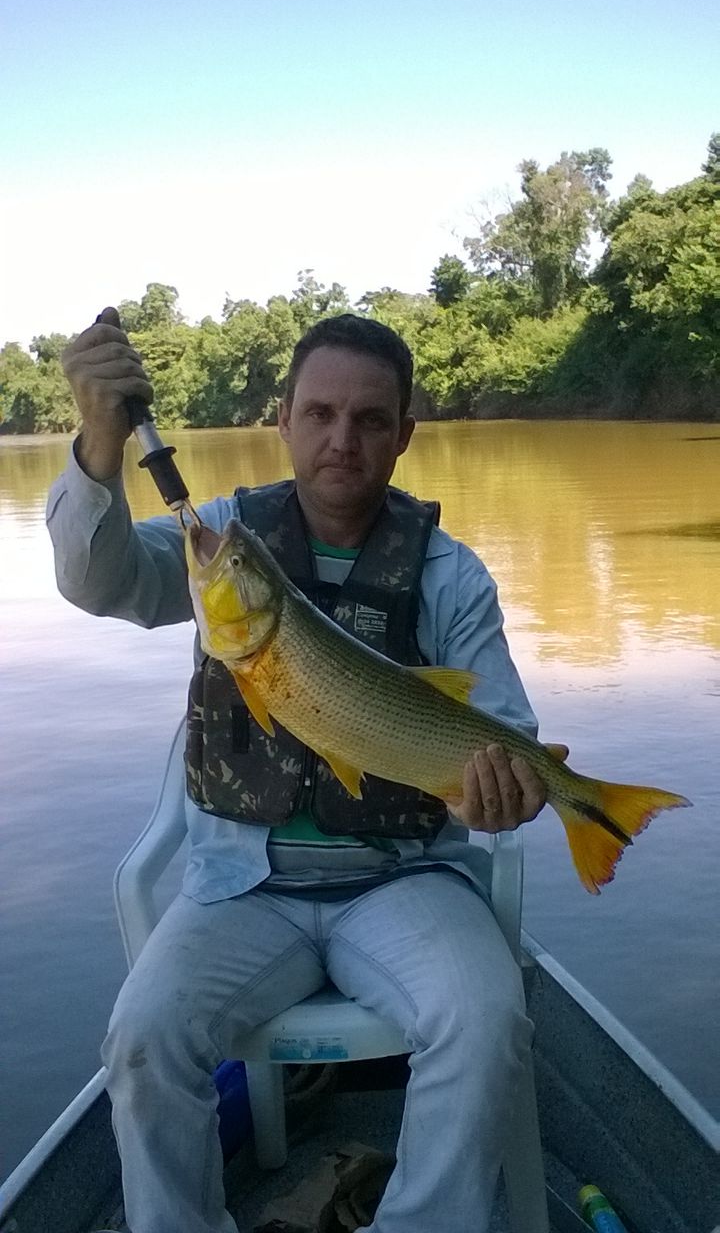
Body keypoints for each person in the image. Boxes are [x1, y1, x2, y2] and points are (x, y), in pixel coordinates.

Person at [48, 308, 556, 1233]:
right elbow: (101, 580)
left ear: (404, 434)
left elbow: (507, 732)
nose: (341, 440)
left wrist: (507, 793)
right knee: (141, 1039)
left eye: (370, 420)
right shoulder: (224, 541)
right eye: (319, 413)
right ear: (282, 418)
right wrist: (98, 445)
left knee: (488, 1024)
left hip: (406, 880)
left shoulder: (451, 576)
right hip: (241, 885)